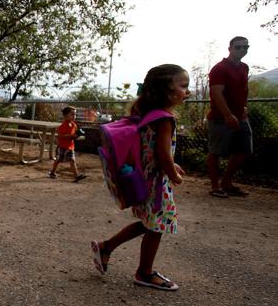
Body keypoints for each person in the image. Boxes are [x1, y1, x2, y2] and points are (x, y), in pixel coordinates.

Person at [90, 64, 190, 291]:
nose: (188, 92)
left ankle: (106, 246)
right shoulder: (165, 119)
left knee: (150, 224)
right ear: (166, 90)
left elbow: (151, 149)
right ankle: (144, 272)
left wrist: (170, 164)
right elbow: (163, 154)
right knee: (156, 227)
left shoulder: (146, 114)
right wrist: (174, 174)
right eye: (183, 86)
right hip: (156, 184)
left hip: (143, 179)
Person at [206, 36, 252, 198]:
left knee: (244, 150)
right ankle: (214, 185)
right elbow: (216, 93)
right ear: (230, 48)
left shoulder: (244, 67)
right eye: (238, 47)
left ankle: (227, 182)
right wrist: (227, 114)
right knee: (216, 151)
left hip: (240, 116)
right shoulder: (220, 68)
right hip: (220, 117)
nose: (242, 50)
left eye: (245, 47)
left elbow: (241, 90)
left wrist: (243, 108)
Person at [48, 106, 86, 182]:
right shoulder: (62, 126)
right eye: (72, 114)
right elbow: (60, 136)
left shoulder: (74, 125)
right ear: (65, 115)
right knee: (58, 160)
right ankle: (52, 172)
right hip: (62, 146)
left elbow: (74, 135)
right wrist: (71, 136)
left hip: (70, 146)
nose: (74, 116)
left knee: (72, 160)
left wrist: (77, 136)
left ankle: (76, 176)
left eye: (75, 114)